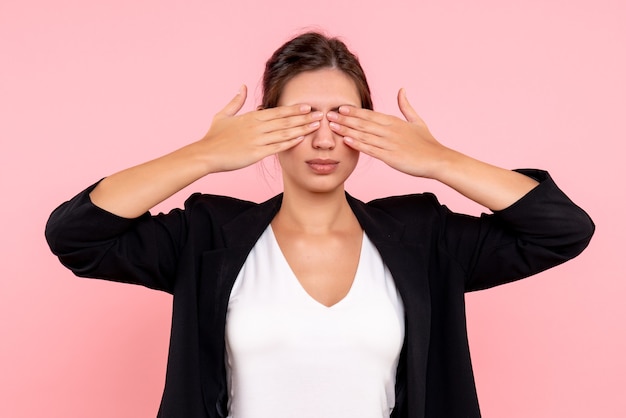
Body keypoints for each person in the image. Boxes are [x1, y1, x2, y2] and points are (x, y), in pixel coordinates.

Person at [45, 32, 594, 418]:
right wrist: (202, 155)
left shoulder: (424, 239)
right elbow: (78, 236)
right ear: (264, 126)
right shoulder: (208, 235)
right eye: (301, 118)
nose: (325, 140)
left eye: (344, 119)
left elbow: (562, 229)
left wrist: (440, 160)